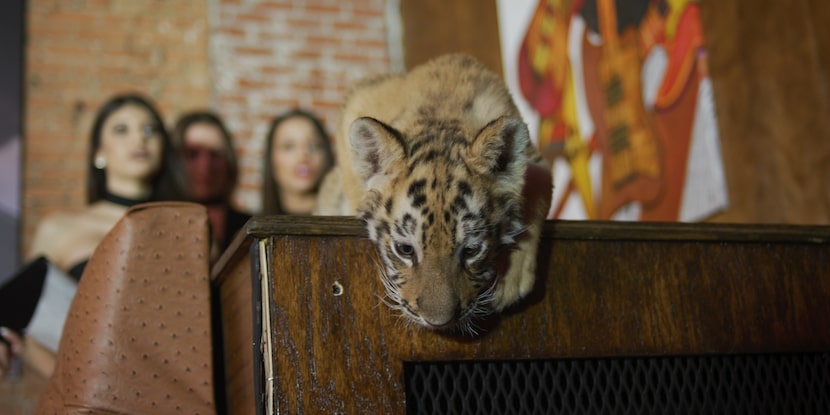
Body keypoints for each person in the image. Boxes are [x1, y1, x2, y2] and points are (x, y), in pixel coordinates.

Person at [0, 92, 185, 379]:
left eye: (150, 130)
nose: (139, 139)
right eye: (122, 130)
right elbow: (26, 329)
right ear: (99, 152)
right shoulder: (60, 229)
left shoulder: (187, 228)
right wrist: (83, 390)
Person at [172, 111, 250, 257]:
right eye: (192, 154)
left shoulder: (250, 229)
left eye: (216, 154)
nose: (205, 166)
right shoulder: (156, 226)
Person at [261, 109, 335, 215]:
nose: (303, 155)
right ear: (271, 159)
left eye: (314, 145)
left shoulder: (352, 224)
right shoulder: (246, 228)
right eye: (289, 146)